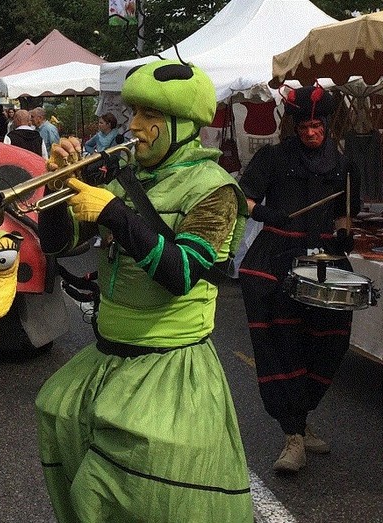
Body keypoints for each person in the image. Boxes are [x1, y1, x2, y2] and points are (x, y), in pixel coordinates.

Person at [34, 60, 253, 522]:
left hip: (169, 365)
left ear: (184, 125)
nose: (136, 126)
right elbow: (59, 244)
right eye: (134, 112)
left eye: (150, 116)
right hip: (108, 357)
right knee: (58, 420)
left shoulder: (214, 190)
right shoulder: (123, 177)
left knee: (131, 491)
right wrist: (56, 186)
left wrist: (115, 213)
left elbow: (182, 273)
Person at [238, 85, 361, 473]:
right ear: (295, 126)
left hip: (326, 258)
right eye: (304, 126)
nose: (311, 133)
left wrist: (345, 233)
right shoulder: (273, 157)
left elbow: (345, 213)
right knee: (283, 343)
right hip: (276, 258)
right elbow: (242, 198)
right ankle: (292, 436)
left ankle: (301, 418)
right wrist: (264, 214)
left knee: (329, 343)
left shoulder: (342, 165)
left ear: (326, 124)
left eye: (316, 126)